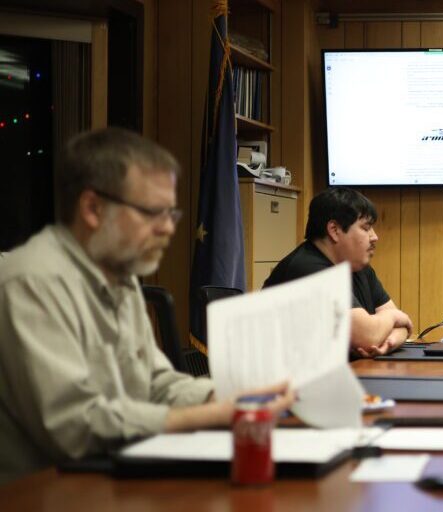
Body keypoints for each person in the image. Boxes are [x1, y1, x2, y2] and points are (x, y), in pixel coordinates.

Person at [0, 128, 294, 484]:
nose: (168, 229)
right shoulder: (32, 281)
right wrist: (217, 414)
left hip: (113, 482)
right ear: (93, 208)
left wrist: (232, 394)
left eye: (172, 214)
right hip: (50, 493)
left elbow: (156, 385)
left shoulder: (118, 275)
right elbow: (74, 426)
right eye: (153, 212)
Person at [263, 187, 411, 357]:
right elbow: (368, 336)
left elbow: (401, 328)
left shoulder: (357, 267)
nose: (374, 236)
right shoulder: (308, 270)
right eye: (366, 228)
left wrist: (389, 341)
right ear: (334, 230)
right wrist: (392, 317)